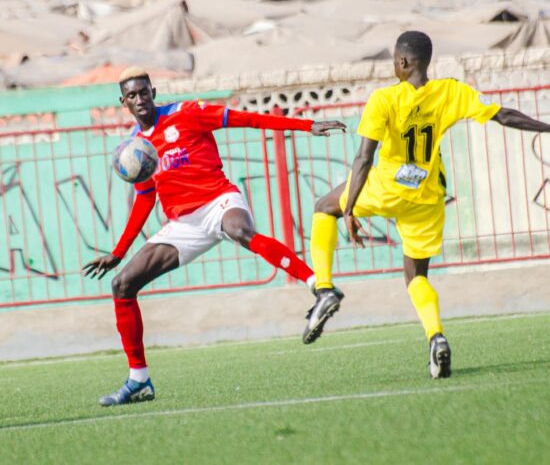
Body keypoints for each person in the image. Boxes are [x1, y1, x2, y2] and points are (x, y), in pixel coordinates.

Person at [83, 67, 346, 406]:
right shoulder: (137, 148)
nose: (140, 99)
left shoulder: (188, 113)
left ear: (153, 92)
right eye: (132, 95)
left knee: (240, 230)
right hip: (184, 224)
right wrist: (119, 252)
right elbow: (146, 198)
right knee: (122, 285)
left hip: (218, 200)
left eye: (144, 92)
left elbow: (247, 119)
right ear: (124, 102)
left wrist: (307, 125)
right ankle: (139, 380)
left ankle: (321, 289)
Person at [305, 30, 550, 378]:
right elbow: (504, 115)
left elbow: (363, 159)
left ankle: (324, 289)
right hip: (427, 196)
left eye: (394, 60)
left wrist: (349, 209)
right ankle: (436, 337)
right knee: (416, 276)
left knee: (322, 206)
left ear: (403, 61)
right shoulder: (451, 92)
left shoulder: (384, 99)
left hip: (387, 187)